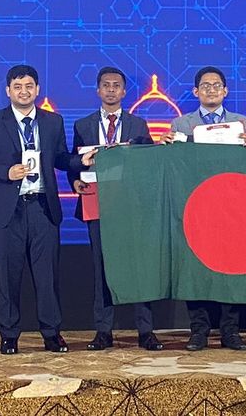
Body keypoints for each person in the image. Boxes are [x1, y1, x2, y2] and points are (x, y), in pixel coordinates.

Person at [0, 64, 96, 355]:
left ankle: (52, 334)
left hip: (42, 208)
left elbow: (60, 158)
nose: (23, 92)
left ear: (37, 89)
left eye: (29, 86)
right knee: (7, 277)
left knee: (47, 276)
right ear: (8, 91)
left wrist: (80, 162)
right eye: (17, 87)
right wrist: (6, 172)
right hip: (5, 212)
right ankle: (9, 335)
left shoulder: (53, 121)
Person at [69, 67, 165, 352]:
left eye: (116, 85)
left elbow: (149, 163)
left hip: (132, 205)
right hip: (97, 202)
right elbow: (74, 161)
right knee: (101, 267)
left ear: (124, 91)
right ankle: (103, 331)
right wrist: (74, 180)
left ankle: (145, 331)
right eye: (106, 85)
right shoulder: (83, 125)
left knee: (139, 266)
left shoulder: (138, 125)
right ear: (98, 90)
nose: (111, 89)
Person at [161, 65, 246, 351]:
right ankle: (198, 331)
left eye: (216, 85)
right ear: (195, 91)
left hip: (232, 207)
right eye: (205, 85)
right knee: (196, 268)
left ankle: (230, 331)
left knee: (233, 268)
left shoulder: (242, 123)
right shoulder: (180, 125)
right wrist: (166, 147)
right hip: (197, 206)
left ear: (225, 91)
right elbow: (173, 165)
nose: (211, 90)